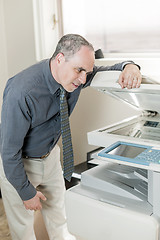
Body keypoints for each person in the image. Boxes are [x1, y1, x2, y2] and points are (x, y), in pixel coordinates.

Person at [0, 34, 142, 240]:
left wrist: (130, 66)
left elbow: (109, 70)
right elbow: (8, 152)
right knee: (23, 230)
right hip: (18, 164)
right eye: (79, 70)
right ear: (59, 59)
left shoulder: (75, 78)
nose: (84, 79)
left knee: (60, 220)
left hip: (50, 158)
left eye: (87, 72)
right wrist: (25, 192)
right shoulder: (21, 92)